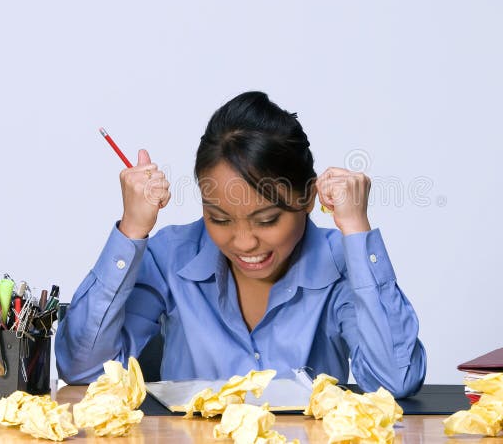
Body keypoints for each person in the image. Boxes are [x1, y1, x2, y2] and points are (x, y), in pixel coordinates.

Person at [55, 91, 426, 397]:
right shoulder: (171, 255)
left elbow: (394, 380)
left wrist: (356, 230)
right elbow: (83, 368)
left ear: (308, 198)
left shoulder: (340, 262)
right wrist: (132, 228)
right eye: (219, 219)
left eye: (267, 220)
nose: (245, 242)